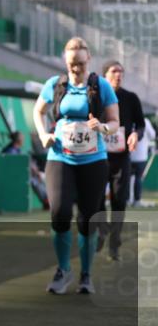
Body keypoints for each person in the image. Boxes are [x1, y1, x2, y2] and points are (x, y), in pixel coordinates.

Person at [33, 37, 119, 295]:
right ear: (65, 61)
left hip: (93, 160)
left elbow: (115, 120)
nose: (76, 69)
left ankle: (86, 274)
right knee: (59, 212)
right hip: (60, 158)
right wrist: (43, 134)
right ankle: (63, 270)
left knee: (87, 219)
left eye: (80, 63)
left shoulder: (101, 86)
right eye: (72, 64)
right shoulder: (55, 85)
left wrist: (103, 127)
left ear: (88, 59)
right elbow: (39, 111)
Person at [97, 60, 145, 261]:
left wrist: (136, 135)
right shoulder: (95, 96)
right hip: (97, 157)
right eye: (114, 71)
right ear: (104, 75)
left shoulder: (131, 98)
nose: (118, 75)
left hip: (121, 158)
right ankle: (100, 234)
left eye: (121, 72)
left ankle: (114, 245)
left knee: (119, 201)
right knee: (97, 200)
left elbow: (141, 125)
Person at [131, 117, 155, 206]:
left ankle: (126, 199)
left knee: (126, 179)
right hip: (140, 156)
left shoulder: (127, 119)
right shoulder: (145, 121)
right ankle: (136, 200)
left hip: (128, 155)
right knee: (138, 178)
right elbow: (152, 135)